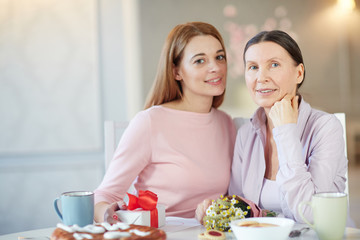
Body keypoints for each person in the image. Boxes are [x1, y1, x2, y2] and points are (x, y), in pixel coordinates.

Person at [196, 30, 350, 225]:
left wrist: (286, 132)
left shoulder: (326, 128)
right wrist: (215, 210)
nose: (261, 77)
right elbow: (241, 209)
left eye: (274, 65)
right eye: (253, 67)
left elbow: (311, 215)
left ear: (299, 73)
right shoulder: (246, 134)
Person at [94, 22, 236, 223]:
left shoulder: (226, 123)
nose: (215, 67)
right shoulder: (149, 123)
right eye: (200, 61)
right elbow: (104, 195)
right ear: (176, 71)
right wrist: (107, 215)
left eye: (219, 57)